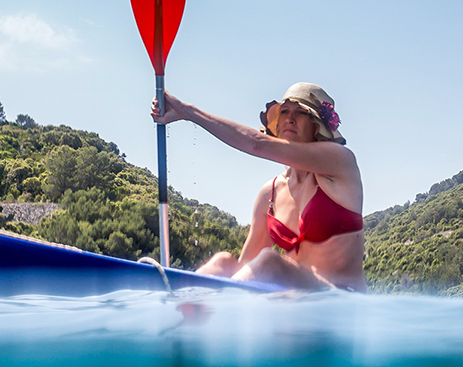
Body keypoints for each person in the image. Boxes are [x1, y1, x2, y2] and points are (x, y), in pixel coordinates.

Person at [151, 82, 366, 291]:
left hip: (341, 300)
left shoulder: (340, 164)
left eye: (301, 113)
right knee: (223, 262)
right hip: (295, 305)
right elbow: (246, 265)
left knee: (270, 262)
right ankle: (181, 307)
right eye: (284, 111)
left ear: (316, 126)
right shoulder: (270, 194)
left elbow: (256, 143)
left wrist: (188, 112)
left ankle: (213, 313)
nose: (290, 118)